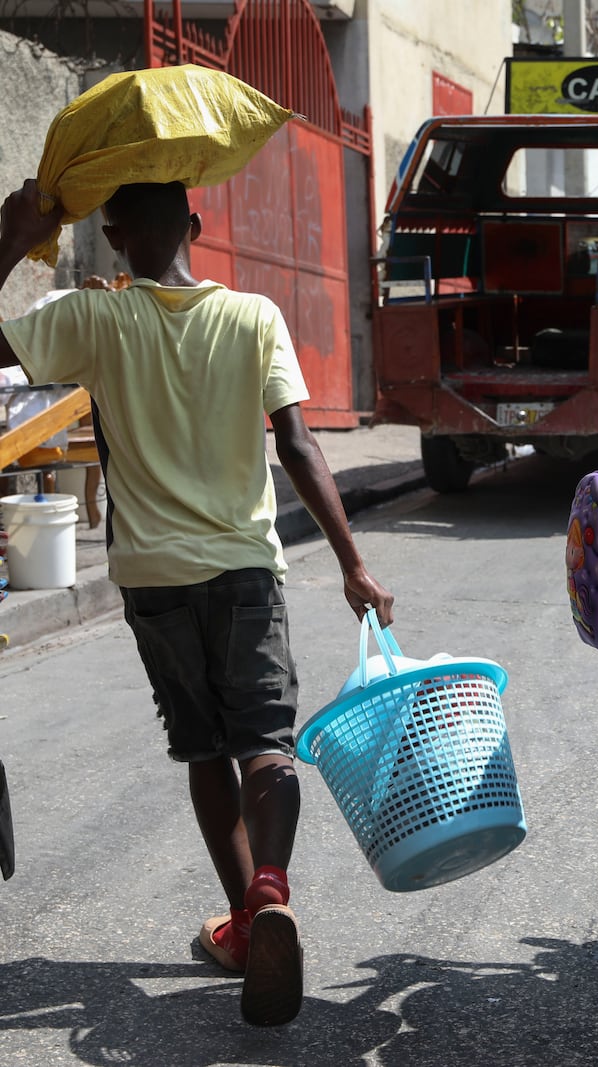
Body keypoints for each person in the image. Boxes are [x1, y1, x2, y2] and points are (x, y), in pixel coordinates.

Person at [0, 179, 394, 1026]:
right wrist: (354, 564)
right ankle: (272, 891)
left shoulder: (96, 318)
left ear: (114, 237)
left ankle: (248, 925)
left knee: (203, 750)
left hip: (153, 577)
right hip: (245, 567)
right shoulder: (254, 317)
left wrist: (9, 235)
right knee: (265, 743)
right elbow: (296, 441)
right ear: (195, 226)